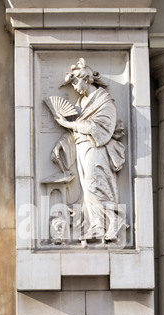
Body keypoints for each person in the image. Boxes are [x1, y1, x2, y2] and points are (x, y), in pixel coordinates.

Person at [51, 58, 126, 243]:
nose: (75, 86)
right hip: (81, 146)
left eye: (76, 82)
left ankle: (115, 220)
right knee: (87, 188)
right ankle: (97, 226)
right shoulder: (81, 104)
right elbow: (76, 128)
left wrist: (69, 123)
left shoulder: (104, 101)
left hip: (96, 147)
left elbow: (98, 128)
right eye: (72, 83)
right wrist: (61, 142)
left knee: (96, 184)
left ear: (87, 79)